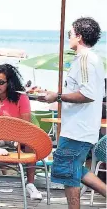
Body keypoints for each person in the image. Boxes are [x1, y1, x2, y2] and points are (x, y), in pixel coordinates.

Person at [40, 17, 106, 209]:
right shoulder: (89, 59)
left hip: (78, 129)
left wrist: (57, 96)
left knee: (69, 173)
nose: (68, 37)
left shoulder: (86, 59)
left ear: (79, 36)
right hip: (80, 127)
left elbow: (87, 94)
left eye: (70, 34)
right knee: (74, 169)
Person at [0, 63, 42, 200]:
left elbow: (26, 125)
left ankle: (30, 184)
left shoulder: (21, 98)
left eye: (0, 82)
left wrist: (19, 141)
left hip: (17, 135)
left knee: (31, 142)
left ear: (10, 83)